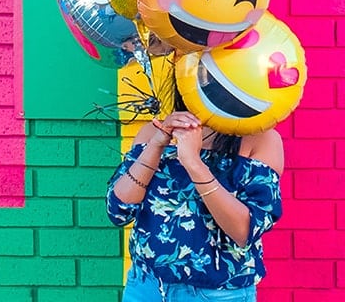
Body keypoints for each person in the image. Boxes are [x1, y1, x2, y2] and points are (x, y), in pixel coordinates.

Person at [105, 94, 285, 302]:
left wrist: (192, 161)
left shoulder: (260, 139)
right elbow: (118, 212)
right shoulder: (152, 132)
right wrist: (157, 144)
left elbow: (244, 231)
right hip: (147, 287)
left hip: (218, 294)